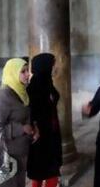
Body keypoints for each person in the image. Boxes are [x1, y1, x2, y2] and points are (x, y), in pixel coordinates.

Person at [0, 58, 38, 187]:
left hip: (20, 151)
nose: (28, 74)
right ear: (12, 73)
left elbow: (26, 115)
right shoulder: (3, 96)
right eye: (23, 71)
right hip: (7, 153)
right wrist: (21, 129)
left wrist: (35, 127)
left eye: (28, 70)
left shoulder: (22, 92)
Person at [26, 53, 62, 187]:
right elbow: (30, 113)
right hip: (40, 136)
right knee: (40, 171)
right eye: (53, 64)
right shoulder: (33, 88)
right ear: (45, 66)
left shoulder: (48, 83)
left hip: (51, 133)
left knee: (52, 170)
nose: (56, 67)